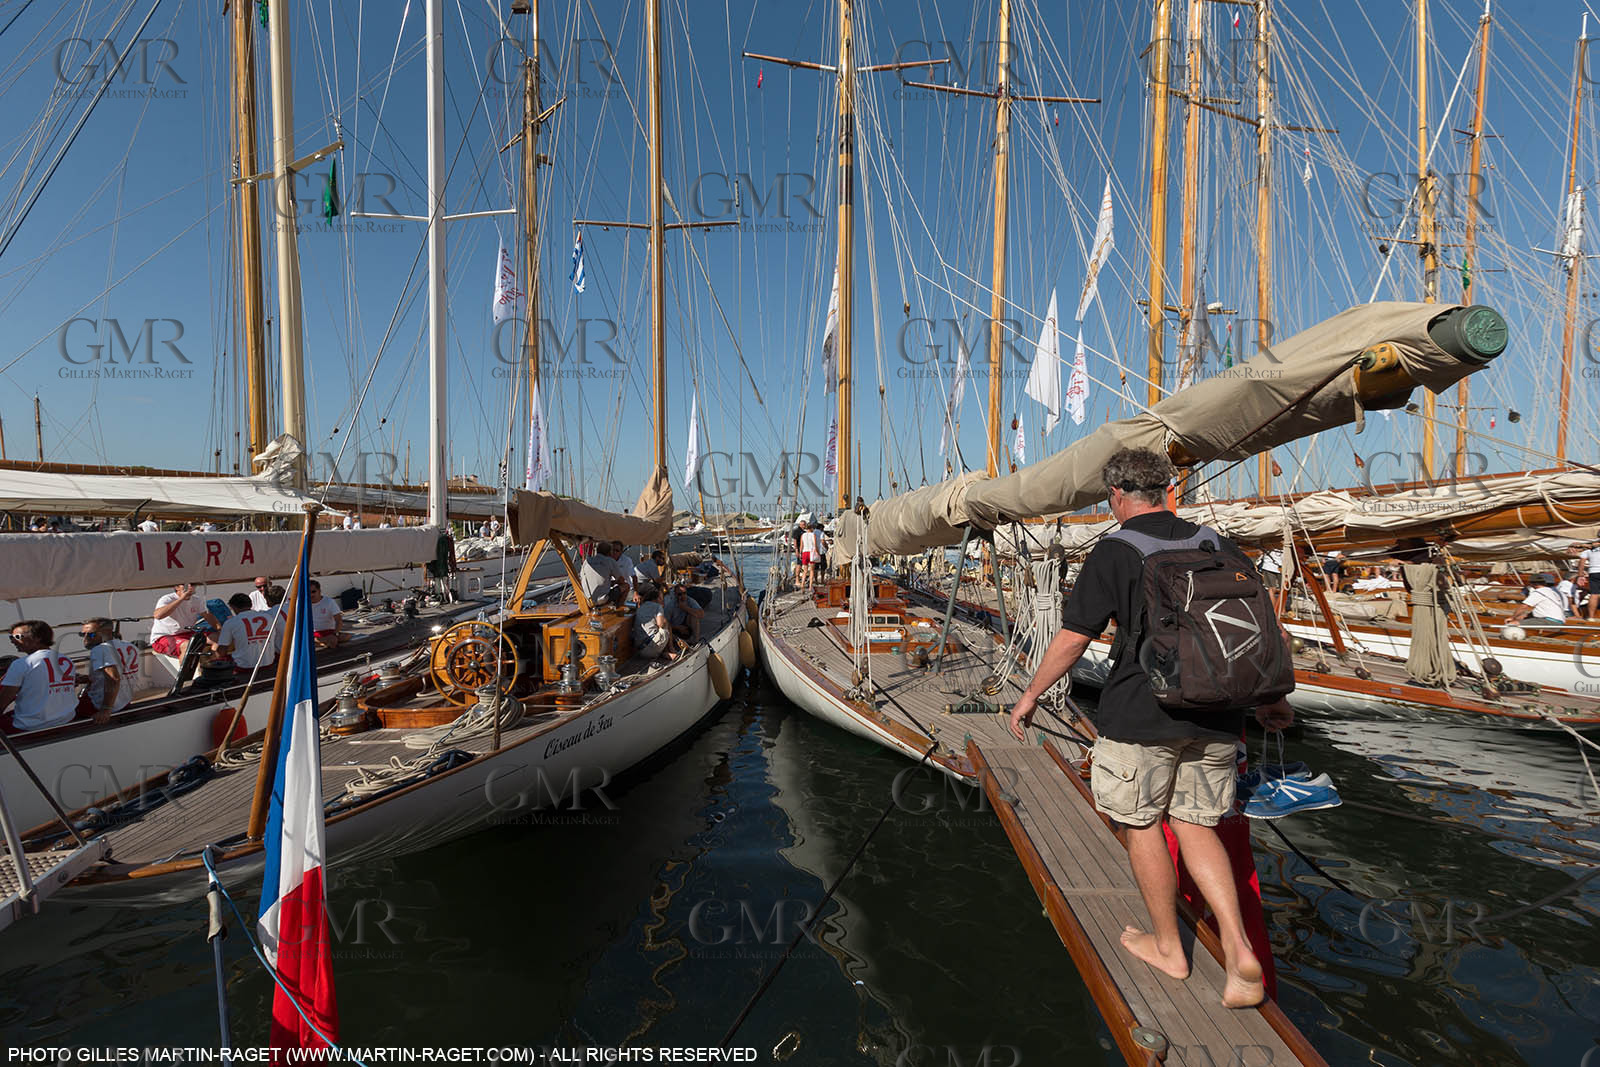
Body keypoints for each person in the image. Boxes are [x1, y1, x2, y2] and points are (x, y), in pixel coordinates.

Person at [1006, 447, 1291, 1010]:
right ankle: (1239, 952)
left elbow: (1073, 638)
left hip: (1143, 715)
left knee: (1142, 824)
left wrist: (1031, 695)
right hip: (1219, 715)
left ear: (1116, 496)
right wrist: (1273, 698)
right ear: (1165, 490)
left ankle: (1169, 948)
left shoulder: (1116, 550)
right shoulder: (1213, 542)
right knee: (1197, 824)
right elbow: (1257, 624)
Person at [0, 620, 78, 732]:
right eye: (11, 637)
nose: (13, 641)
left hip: (32, 726)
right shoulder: (67, 660)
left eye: (17, 636)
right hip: (65, 719)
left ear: (38, 637)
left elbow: (3, 702)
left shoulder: (22, 664)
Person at [78, 617, 138, 724]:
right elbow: (122, 673)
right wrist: (88, 678)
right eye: (82, 634)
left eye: (91, 634)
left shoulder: (100, 649)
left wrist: (106, 709)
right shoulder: (129, 647)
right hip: (123, 702)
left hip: (99, 704)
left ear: (106, 633)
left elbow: (114, 678)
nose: (85, 638)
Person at [214, 588, 285, 675]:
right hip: (268, 664)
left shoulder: (231, 622)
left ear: (233, 607)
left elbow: (221, 652)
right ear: (251, 605)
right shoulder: (269, 617)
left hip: (244, 668)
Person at [149, 583, 221, 657]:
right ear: (177, 587)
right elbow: (158, 615)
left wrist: (220, 630)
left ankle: (212, 664)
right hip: (165, 636)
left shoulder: (197, 600)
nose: (189, 587)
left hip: (188, 633)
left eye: (192, 584)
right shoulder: (167, 599)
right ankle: (190, 668)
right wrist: (181, 599)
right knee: (188, 646)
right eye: (185, 585)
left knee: (220, 638)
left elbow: (208, 616)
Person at [632, 582, 673, 660]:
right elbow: (661, 624)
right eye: (661, 598)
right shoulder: (657, 607)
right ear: (657, 598)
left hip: (640, 650)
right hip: (651, 649)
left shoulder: (640, 607)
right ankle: (671, 649)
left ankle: (663, 653)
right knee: (666, 624)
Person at [579, 541, 627, 606]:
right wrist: (614, 582)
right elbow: (621, 580)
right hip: (601, 600)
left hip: (587, 600)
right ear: (609, 552)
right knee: (626, 586)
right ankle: (619, 608)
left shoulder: (587, 561)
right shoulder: (610, 561)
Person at [307, 579, 346, 649]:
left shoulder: (329, 602)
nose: (311, 594)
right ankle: (324, 642)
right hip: (315, 633)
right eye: (308, 592)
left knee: (346, 636)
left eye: (313, 591)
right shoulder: (303, 604)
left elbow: (338, 620)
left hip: (330, 632)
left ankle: (321, 643)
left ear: (319, 591)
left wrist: (335, 634)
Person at [1580, 542, 1600, 621]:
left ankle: (1591, 617)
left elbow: (1581, 563)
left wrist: (1580, 575)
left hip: (1593, 572)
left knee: (1594, 594)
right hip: (1594, 572)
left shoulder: (1587, 551)